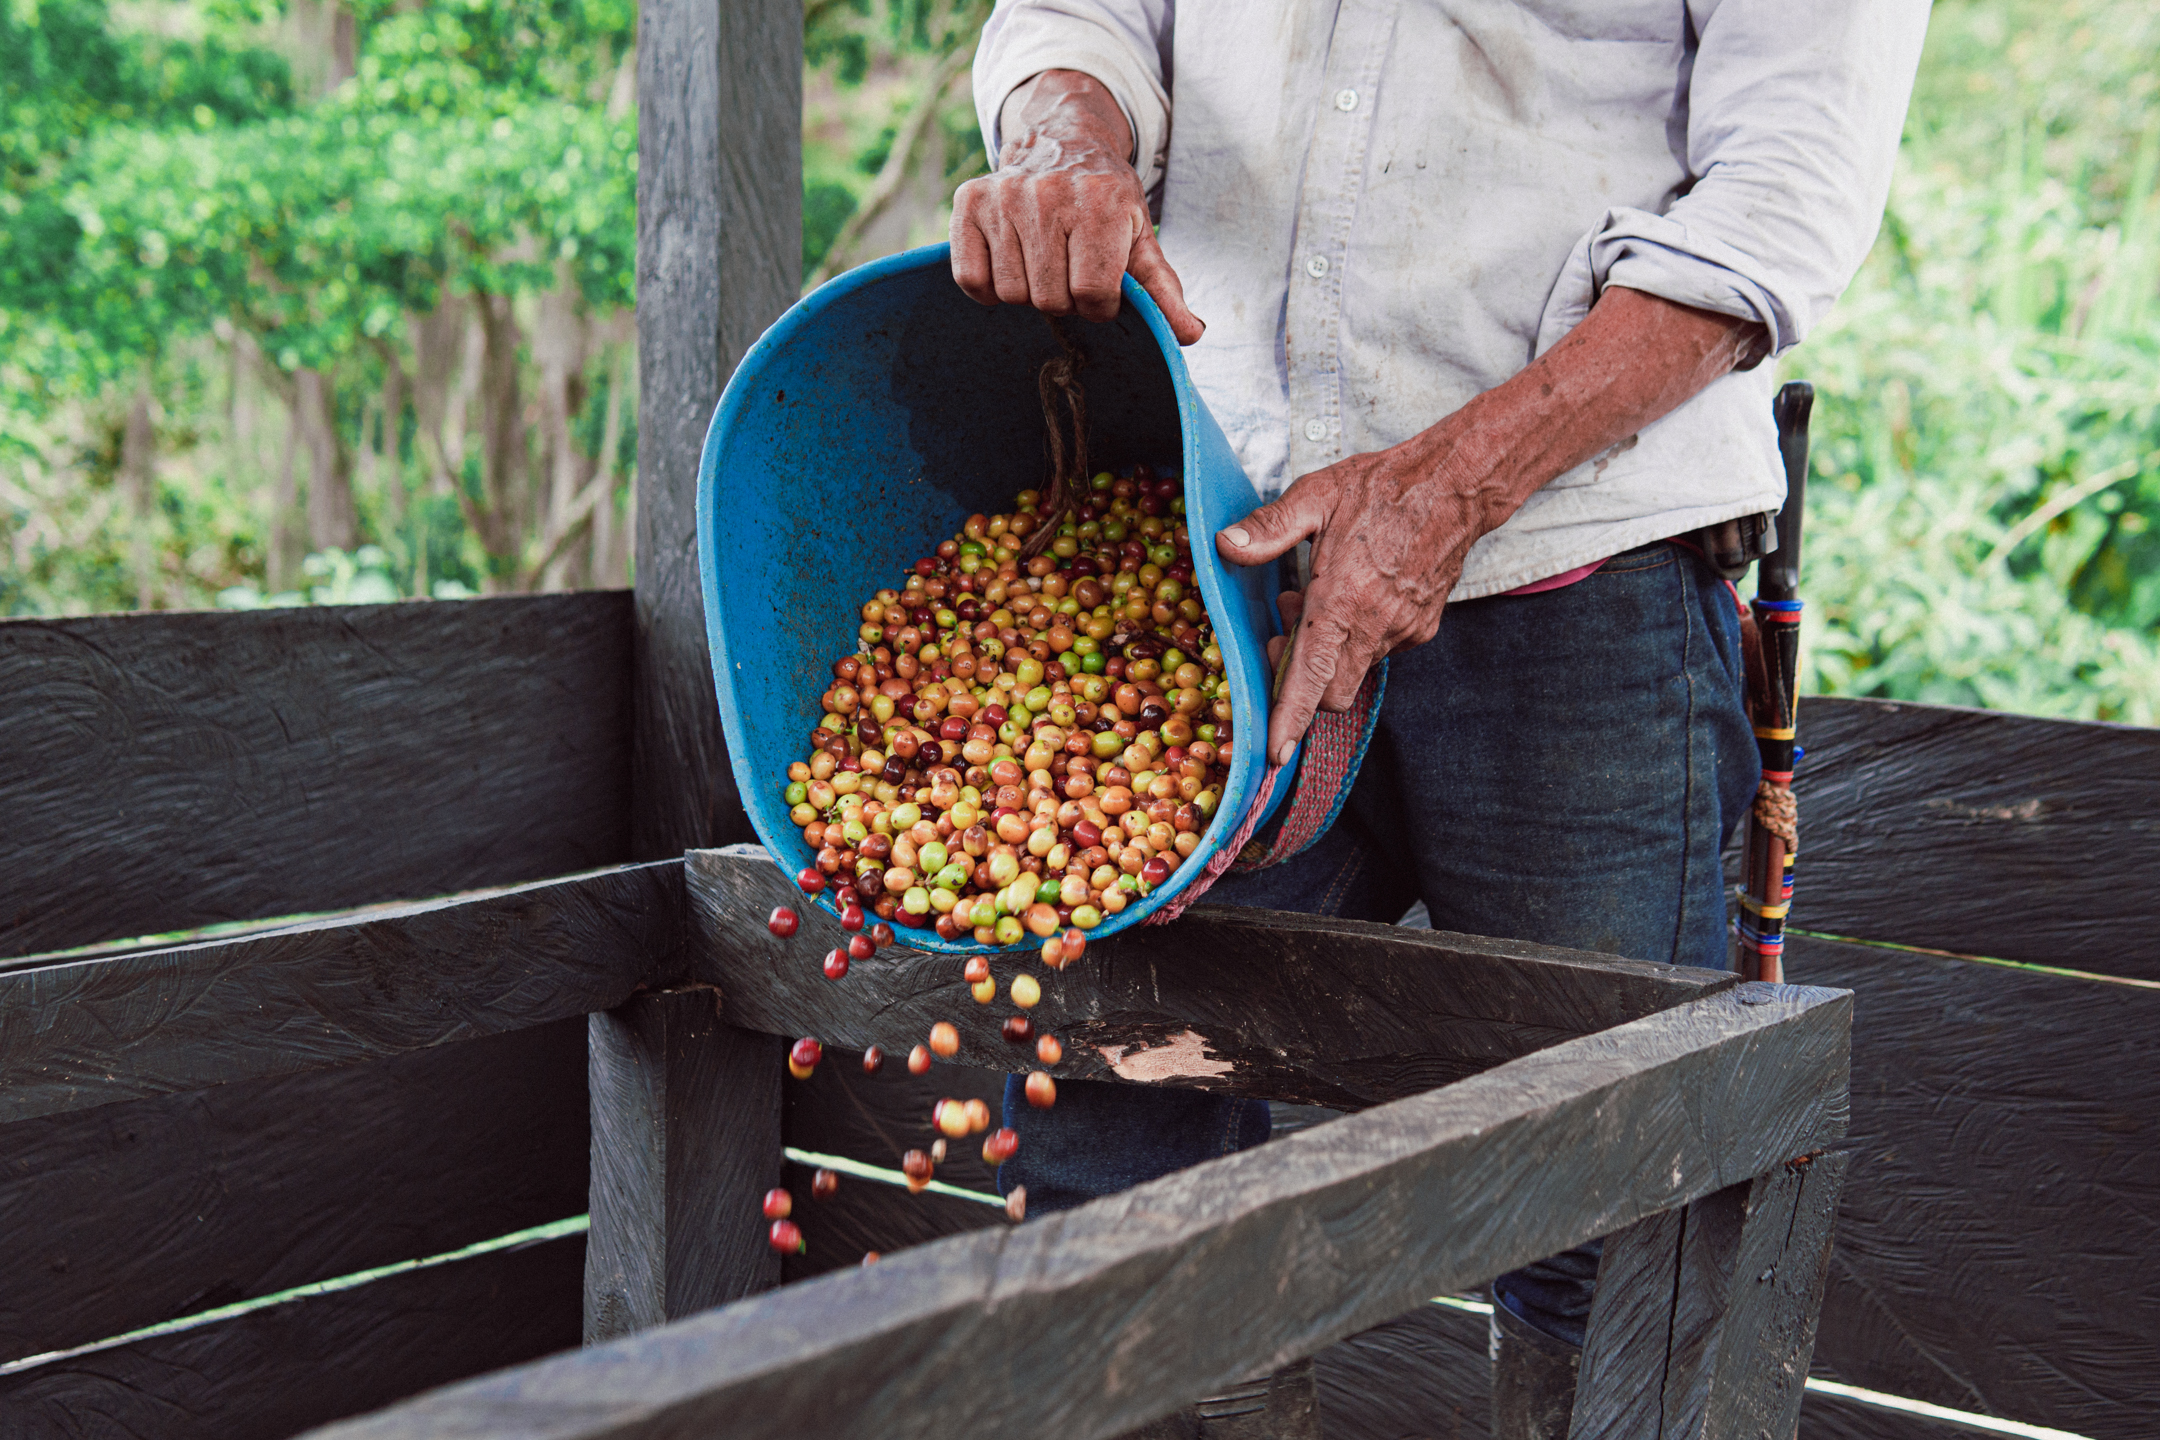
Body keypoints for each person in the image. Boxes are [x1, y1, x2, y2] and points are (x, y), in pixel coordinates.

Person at [951, 4, 1928, 1436]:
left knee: (1606, 1211)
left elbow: (1781, 200)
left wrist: (1450, 489)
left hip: (1580, 568)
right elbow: (1075, 18)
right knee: (1116, 1176)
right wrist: (1061, 132)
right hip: (1220, 535)